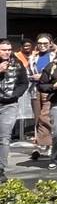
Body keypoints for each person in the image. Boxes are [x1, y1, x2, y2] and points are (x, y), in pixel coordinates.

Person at [0, 40, 30, 182]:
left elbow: (24, 82)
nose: (7, 52)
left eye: (9, 49)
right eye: (3, 49)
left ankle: (1, 169)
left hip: (9, 105)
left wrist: (14, 94)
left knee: (4, 138)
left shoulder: (16, 63)